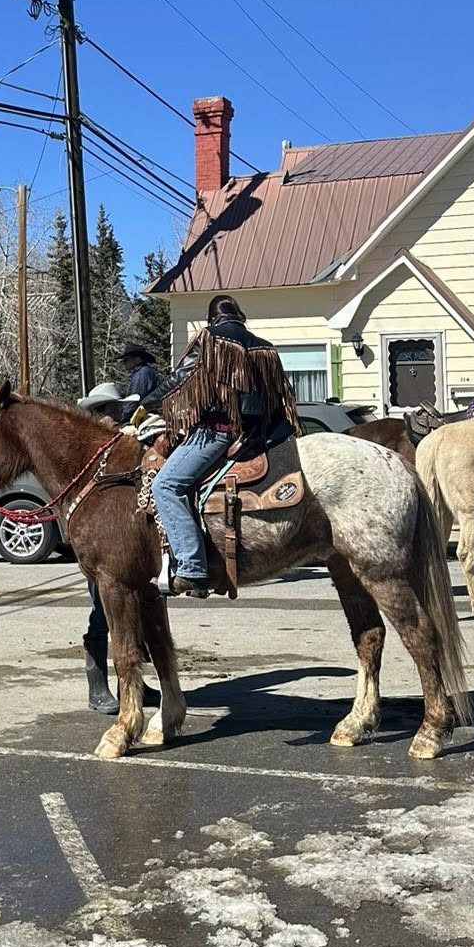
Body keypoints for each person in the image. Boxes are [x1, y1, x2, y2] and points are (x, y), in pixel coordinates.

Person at [145, 294, 299, 600]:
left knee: (166, 485)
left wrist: (143, 404)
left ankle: (191, 568)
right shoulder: (265, 347)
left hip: (217, 432)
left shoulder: (209, 341)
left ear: (211, 319)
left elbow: (180, 381)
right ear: (240, 316)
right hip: (257, 435)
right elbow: (283, 395)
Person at [75, 382, 128, 714]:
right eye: (111, 412)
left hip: (124, 537)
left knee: (134, 614)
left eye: (118, 411)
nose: (117, 417)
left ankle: (131, 684)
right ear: (95, 415)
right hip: (98, 541)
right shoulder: (86, 452)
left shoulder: (122, 444)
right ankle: (97, 688)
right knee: (102, 614)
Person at [119, 341, 164, 410]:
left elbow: (134, 400)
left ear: (138, 359)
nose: (124, 363)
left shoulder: (141, 374)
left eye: (126, 360)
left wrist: (123, 418)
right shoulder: (146, 371)